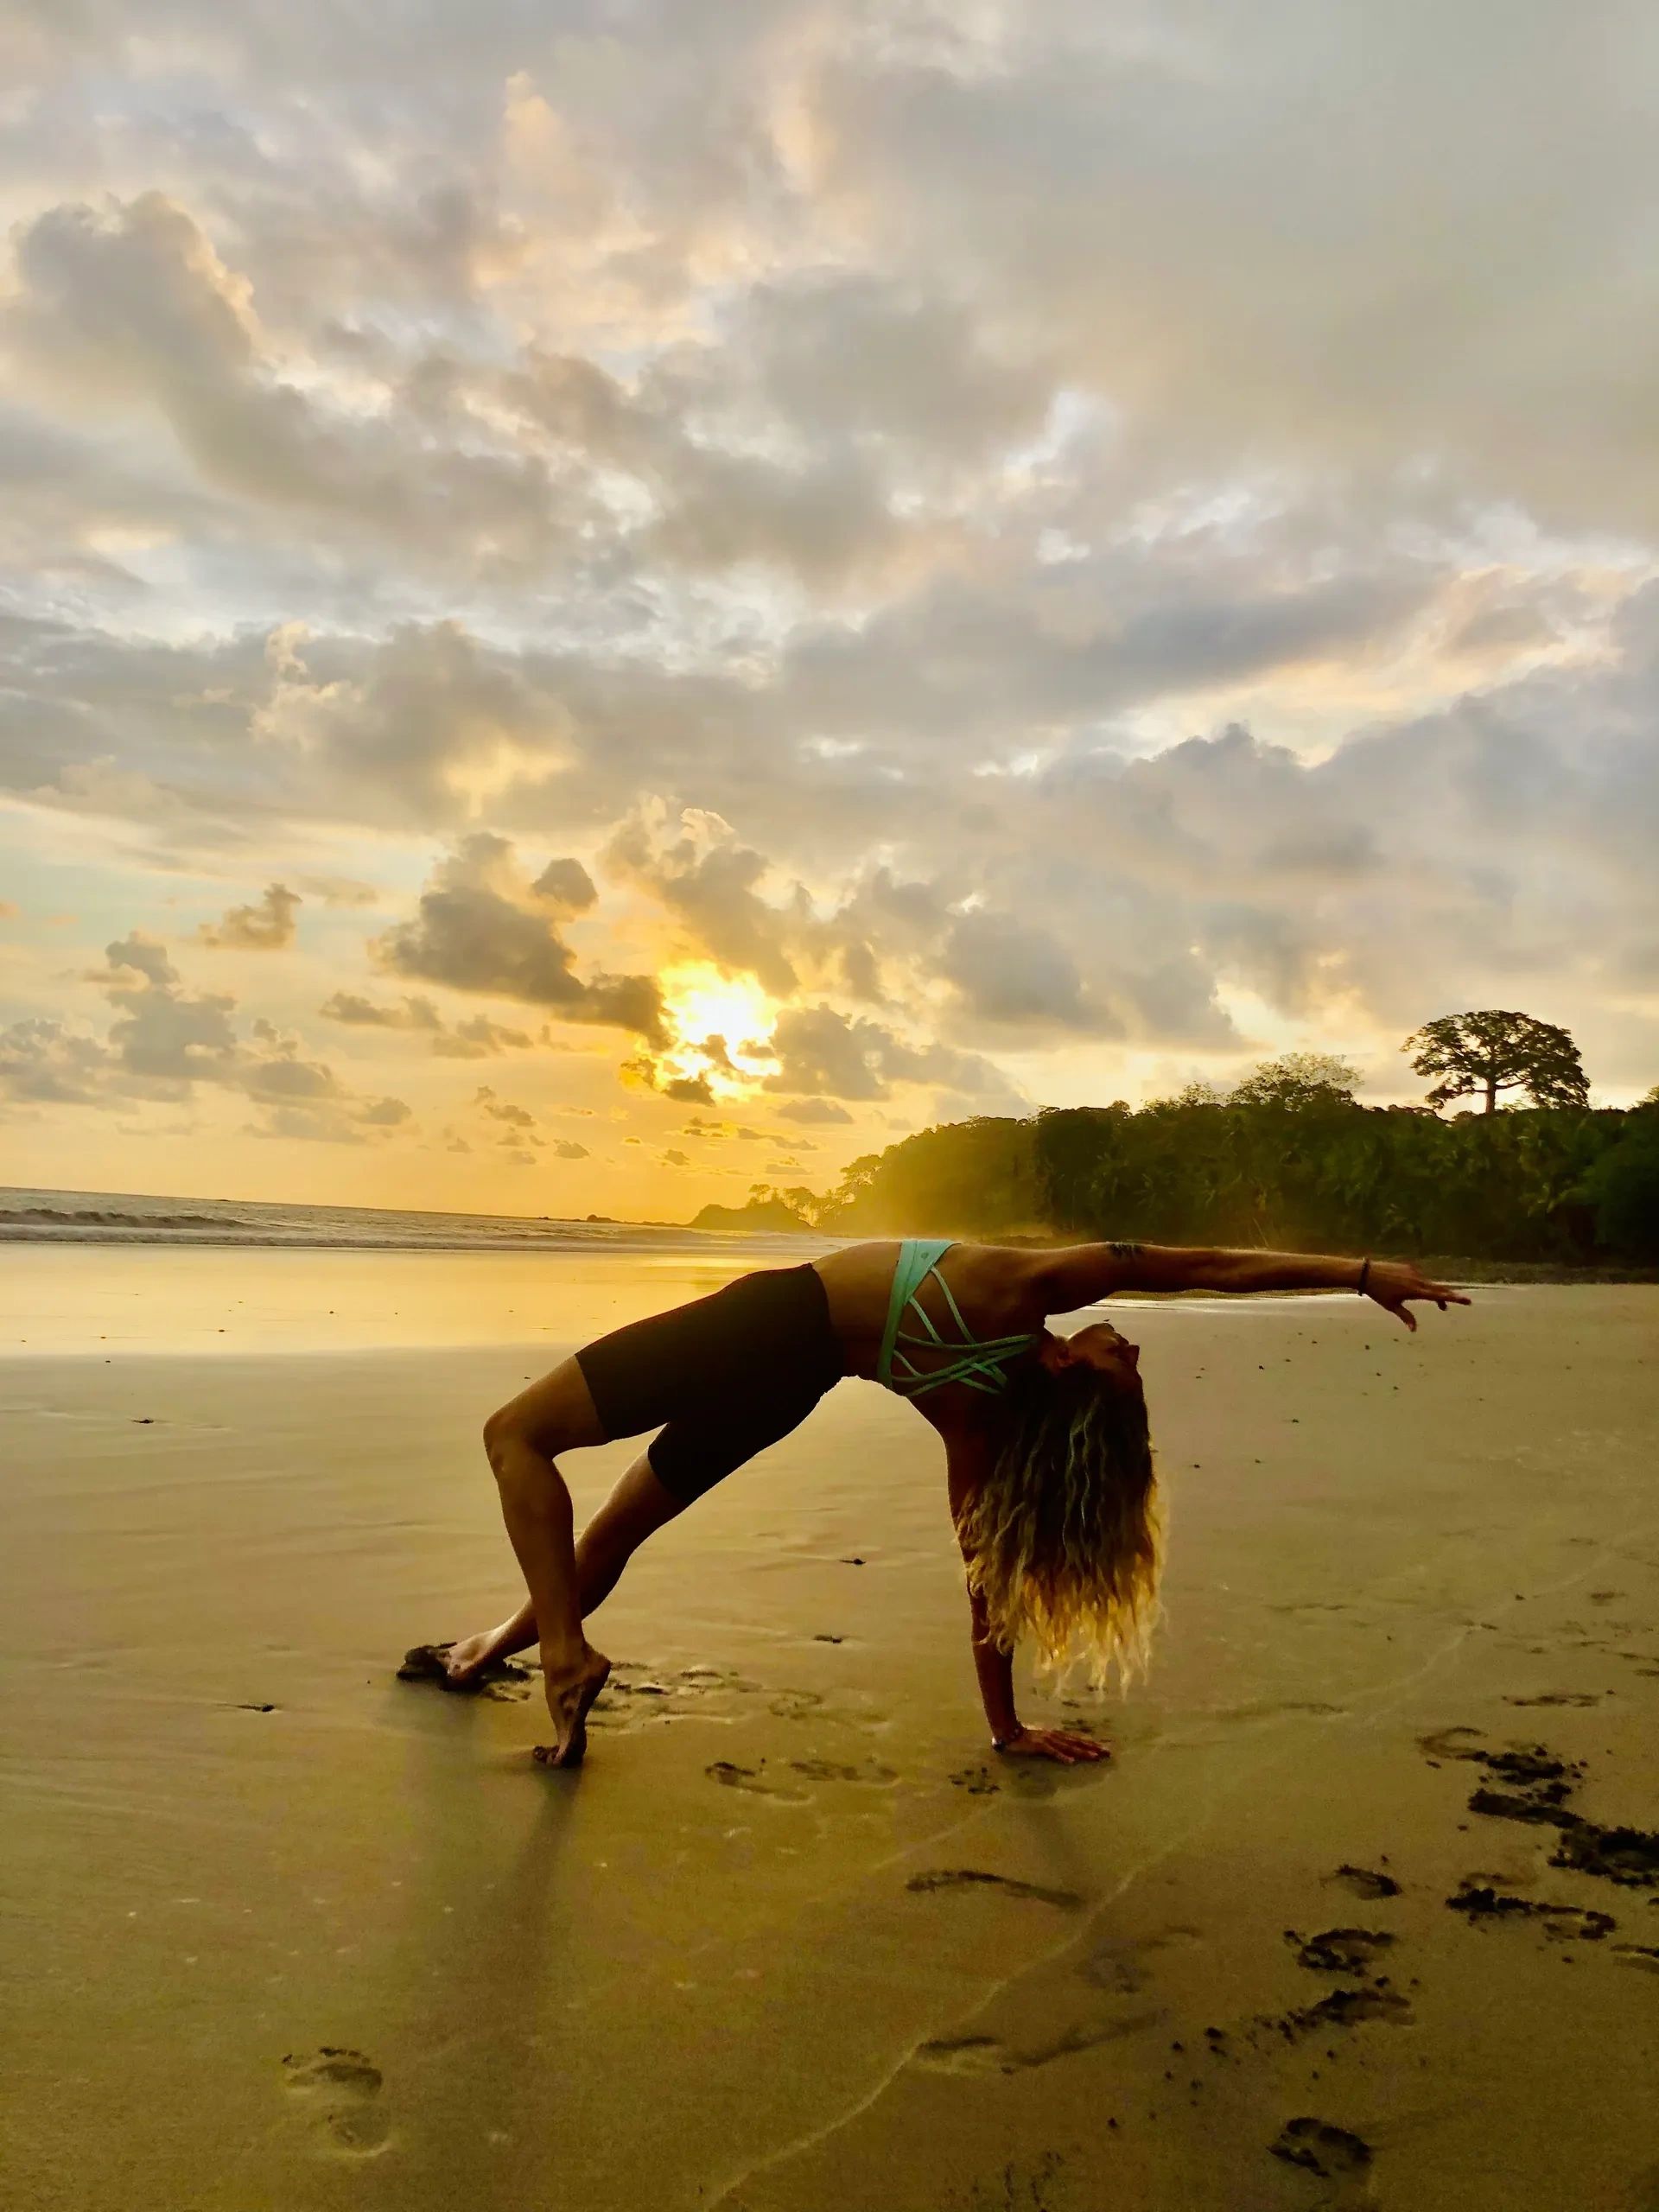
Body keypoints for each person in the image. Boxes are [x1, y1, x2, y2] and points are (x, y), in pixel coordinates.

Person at [407, 1239, 1468, 1769]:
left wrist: (1359, 1270)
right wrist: (1005, 1728)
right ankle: (483, 1657)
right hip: (793, 1387)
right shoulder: (979, 1420)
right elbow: (986, 1580)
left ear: (1073, 1372)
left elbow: (1204, 1266)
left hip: (771, 1324)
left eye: (1123, 1362)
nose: (1130, 1341)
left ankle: (561, 1654)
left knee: (516, 1434)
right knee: (614, 1532)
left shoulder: (1022, 1288)